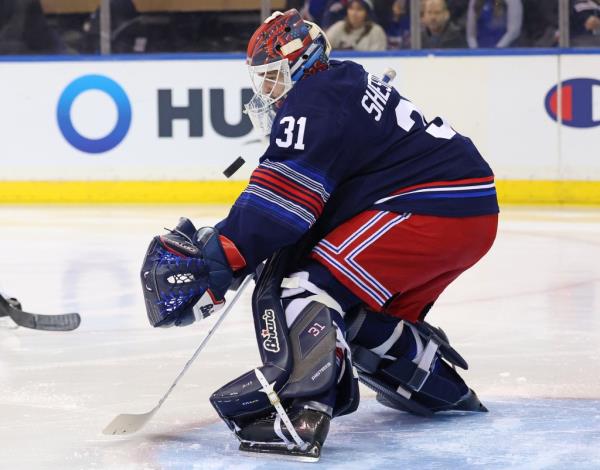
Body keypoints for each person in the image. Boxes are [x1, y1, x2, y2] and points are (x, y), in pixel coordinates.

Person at [140, 9, 498, 460]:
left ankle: (300, 412)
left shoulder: (314, 101)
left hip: (431, 208)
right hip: (461, 207)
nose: (266, 91)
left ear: (301, 62)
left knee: (304, 288)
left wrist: (225, 254)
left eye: (271, 77)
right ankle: (434, 383)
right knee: (349, 307)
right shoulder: (339, 82)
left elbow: (280, 204)